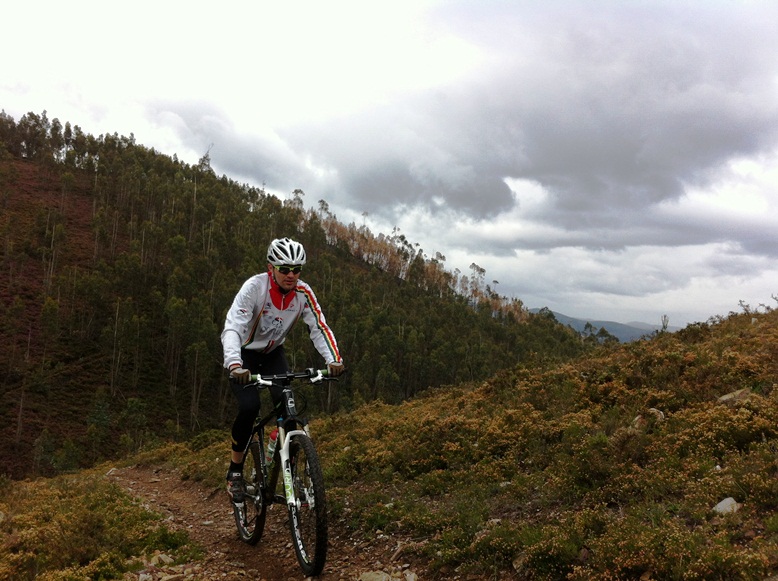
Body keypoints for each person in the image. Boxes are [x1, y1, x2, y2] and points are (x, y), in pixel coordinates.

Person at [221, 237, 344, 503]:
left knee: (288, 408)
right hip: (244, 355)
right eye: (285, 268)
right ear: (271, 268)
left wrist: (333, 359)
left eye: (297, 269)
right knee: (250, 407)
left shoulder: (303, 293)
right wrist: (234, 363)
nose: (291, 275)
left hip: (273, 354)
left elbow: (318, 326)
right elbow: (233, 326)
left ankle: (285, 460)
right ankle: (235, 471)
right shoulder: (255, 288)